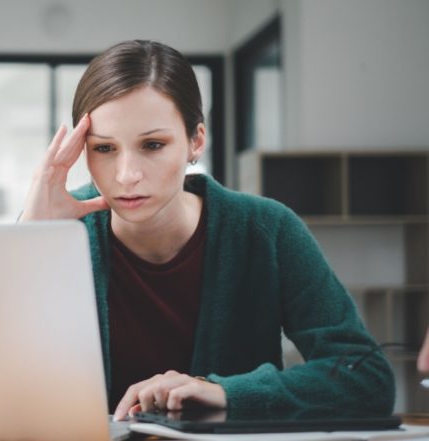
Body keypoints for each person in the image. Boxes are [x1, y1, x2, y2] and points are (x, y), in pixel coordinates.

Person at [19, 40, 395, 420]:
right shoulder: (57, 231)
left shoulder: (266, 230)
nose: (126, 175)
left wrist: (225, 393)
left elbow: (366, 377)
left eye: (152, 144)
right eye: (104, 149)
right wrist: (26, 244)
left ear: (195, 141)